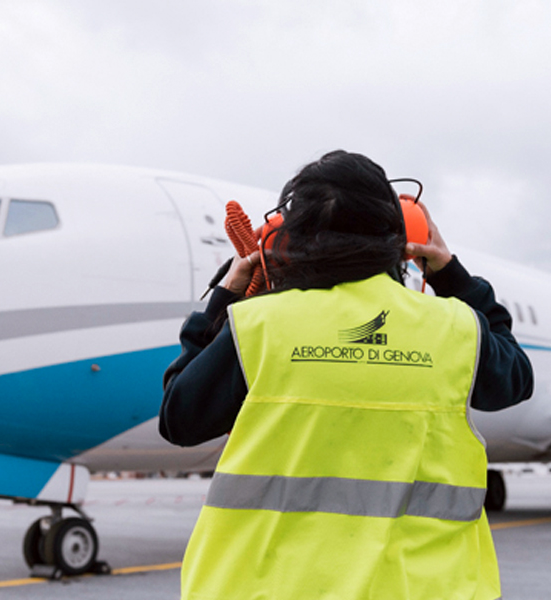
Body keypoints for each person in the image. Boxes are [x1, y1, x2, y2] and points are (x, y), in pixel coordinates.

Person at [159, 150, 534, 600]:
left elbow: (179, 420)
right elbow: (516, 381)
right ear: (402, 239)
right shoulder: (456, 328)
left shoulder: (259, 326)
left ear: (282, 240)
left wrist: (224, 297)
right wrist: (450, 272)